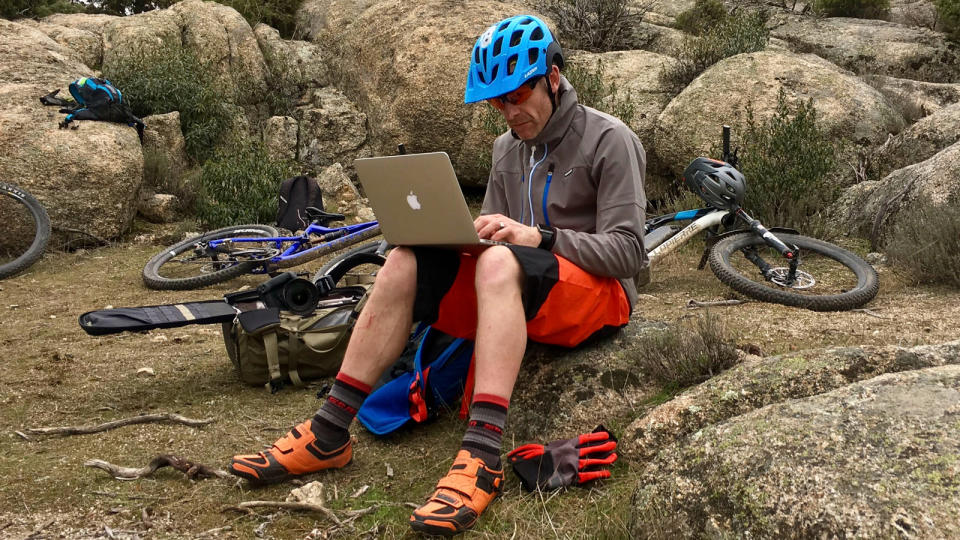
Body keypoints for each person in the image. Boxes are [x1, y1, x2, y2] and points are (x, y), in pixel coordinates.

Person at [230, 14, 647, 536]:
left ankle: (482, 456)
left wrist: (538, 238)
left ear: (554, 78)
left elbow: (630, 253)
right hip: (519, 291)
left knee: (498, 260)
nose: (508, 112)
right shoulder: (506, 150)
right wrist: (453, 242)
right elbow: (492, 244)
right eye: (497, 102)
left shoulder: (610, 139)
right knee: (406, 258)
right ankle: (329, 433)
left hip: (599, 299)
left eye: (517, 96)